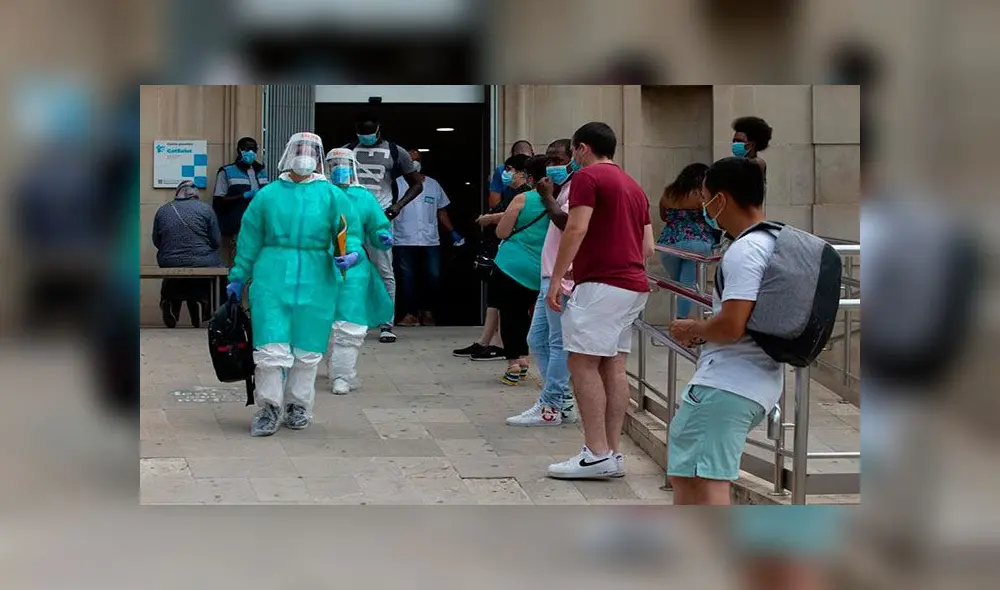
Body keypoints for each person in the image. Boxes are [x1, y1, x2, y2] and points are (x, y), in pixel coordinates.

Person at [666, 157, 782, 505]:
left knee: (705, 482)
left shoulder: (745, 251)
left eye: (705, 197)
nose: (704, 206)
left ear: (722, 198)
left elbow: (732, 325)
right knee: (689, 476)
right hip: (756, 381)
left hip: (727, 383)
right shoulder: (775, 239)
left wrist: (694, 328)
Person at [545, 122, 654, 479]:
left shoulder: (587, 178)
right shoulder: (633, 186)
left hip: (603, 285)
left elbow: (576, 227)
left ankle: (596, 453)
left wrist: (557, 278)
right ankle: (611, 453)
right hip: (631, 284)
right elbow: (648, 247)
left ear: (582, 148)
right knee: (613, 366)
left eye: (573, 151)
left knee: (581, 363)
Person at [226, 132, 346, 437]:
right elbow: (250, 237)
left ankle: (298, 405)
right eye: (299, 149)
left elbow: (349, 231)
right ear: (288, 153)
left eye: (310, 151)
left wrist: (351, 253)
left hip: (317, 277)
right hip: (272, 275)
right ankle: (269, 407)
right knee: (270, 345)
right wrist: (239, 275)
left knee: (308, 348)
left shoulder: (331, 195)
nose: (304, 156)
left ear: (317, 157)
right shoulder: (268, 195)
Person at [507, 139, 580, 426]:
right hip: (549, 275)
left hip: (560, 277)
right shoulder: (562, 188)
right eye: (548, 159)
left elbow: (567, 223)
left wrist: (547, 196)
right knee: (536, 339)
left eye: (558, 159)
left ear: (573, 158)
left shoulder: (574, 188)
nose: (551, 165)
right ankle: (562, 401)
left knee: (557, 342)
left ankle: (551, 405)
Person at [342, 112, 424, 344]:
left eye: (369, 133)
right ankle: (351, 319)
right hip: (352, 218)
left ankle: (387, 324)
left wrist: (398, 206)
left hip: (380, 218)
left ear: (378, 131)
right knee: (348, 268)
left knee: (384, 270)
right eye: (361, 133)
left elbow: (417, 184)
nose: (365, 137)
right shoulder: (348, 151)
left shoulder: (396, 152)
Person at [452, 140, 535, 361]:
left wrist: (489, 219)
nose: (506, 174)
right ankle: (487, 341)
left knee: (508, 305)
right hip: (508, 255)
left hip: (516, 256)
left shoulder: (525, 195)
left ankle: (506, 350)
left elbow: (506, 223)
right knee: (496, 299)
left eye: (510, 170)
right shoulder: (515, 193)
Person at [324, 148, 395, 395]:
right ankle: (328, 364)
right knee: (321, 320)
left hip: (354, 264)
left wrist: (382, 236)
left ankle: (342, 375)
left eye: (344, 164)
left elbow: (376, 226)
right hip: (320, 262)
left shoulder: (363, 197)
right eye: (334, 164)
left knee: (349, 320)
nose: (339, 168)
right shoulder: (319, 194)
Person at [476, 154, 549, 385]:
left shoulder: (523, 199)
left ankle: (514, 364)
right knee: (526, 315)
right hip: (538, 270)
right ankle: (525, 358)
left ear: (529, 176)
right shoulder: (560, 202)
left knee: (509, 315)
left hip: (510, 266)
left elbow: (502, 232)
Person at [393, 149, 464, 327]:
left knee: (433, 277)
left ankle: (427, 312)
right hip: (403, 238)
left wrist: (452, 231)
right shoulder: (396, 184)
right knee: (406, 279)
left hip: (430, 240)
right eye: (410, 159)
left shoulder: (433, 185)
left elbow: (441, 210)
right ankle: (410, 314)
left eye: (417, 159)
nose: (414, 162)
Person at [151, 180, 223, 328]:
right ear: (195, 194)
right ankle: (207, 305)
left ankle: (169, 299)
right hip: (203, 259)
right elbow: (216, 241)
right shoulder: (206, 209)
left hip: (169, 260)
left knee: (174, 271)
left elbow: (156, 241)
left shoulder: (163, 210)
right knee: (220, 271)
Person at [655, 163, 717, 319]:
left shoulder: (669, 193)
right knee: (688, 285)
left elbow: (663, 216)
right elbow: (712, 216)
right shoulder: (701, 195)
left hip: (669, 245)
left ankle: (683, 321)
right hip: (697, 243)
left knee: (678, 285)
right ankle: (682, 321)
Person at [213, 136, 269, 266]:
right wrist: (242, 196)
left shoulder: (261, 170)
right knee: (240, 263)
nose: (251, 152)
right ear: (239, 150)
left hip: (260, 225)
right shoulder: (227, 171)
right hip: (238, 226)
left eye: (254, 149)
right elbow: (219, 200)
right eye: (247, 149)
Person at [731, 116, 772, 184]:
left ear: (751, 145)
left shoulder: (757, 164)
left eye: (739, 141)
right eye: (734, 141)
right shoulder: (736, 164)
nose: (735, 144)